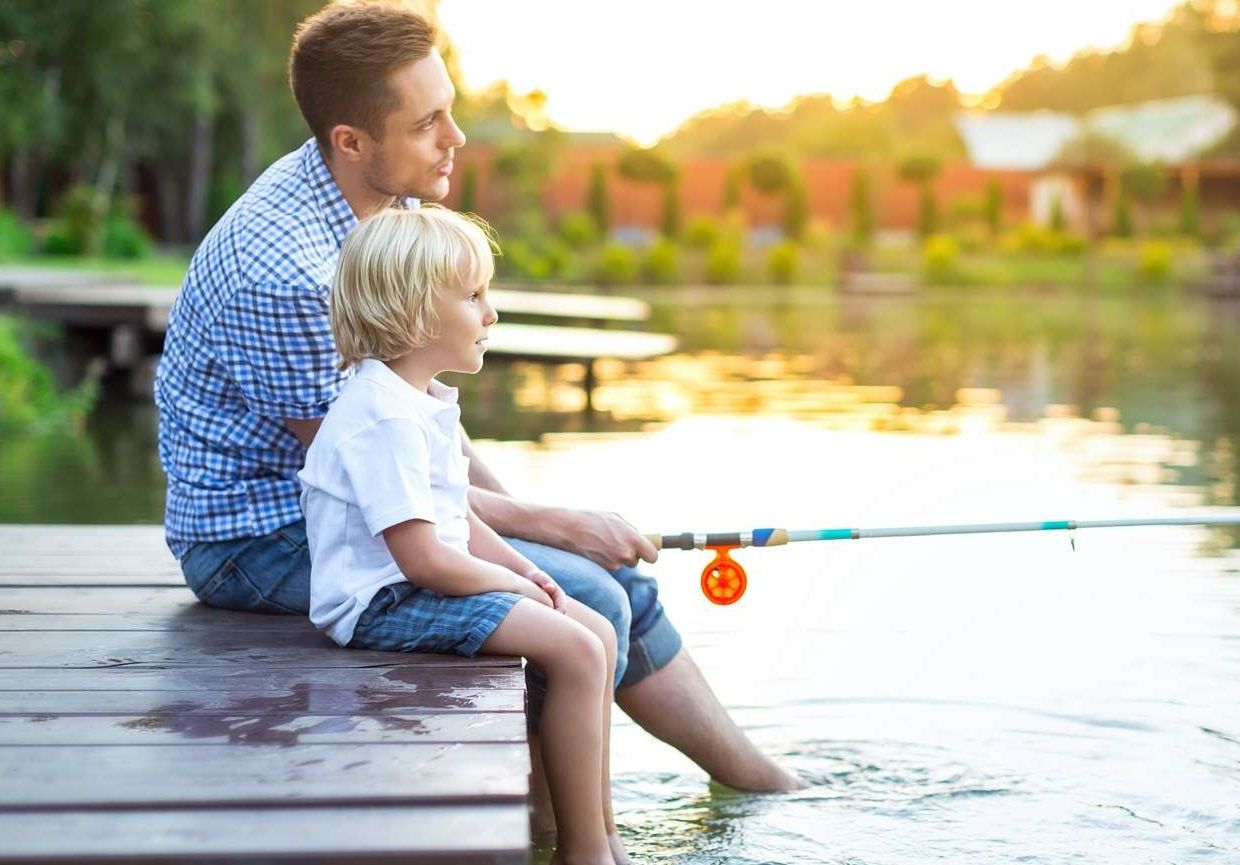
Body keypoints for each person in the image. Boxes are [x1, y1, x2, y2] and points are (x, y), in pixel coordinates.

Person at [152, 0, 798, 814]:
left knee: (606, 577)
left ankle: (745, 777)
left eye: (448, 110)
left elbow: (425, 432)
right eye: (429, 123)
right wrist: (552, 525)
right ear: (352, 141)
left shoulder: (387, 196)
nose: (455, 138)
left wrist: (547, 520)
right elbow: (372, 473)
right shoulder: (288, 275)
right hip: (260, 533)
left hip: (367, 498)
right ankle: (551, 837)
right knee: (584, 594)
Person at [302, 206, 623, 865]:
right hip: (380, 601)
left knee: (595, 629)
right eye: (474, 296)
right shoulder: (382, 415)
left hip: (419, 580)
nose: (492, 313)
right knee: (575, 648)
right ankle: (583, 860)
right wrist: (507, 585)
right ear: (415, 314)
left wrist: (528, 570)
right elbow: (421, 557)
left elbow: (457, 519)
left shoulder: (421, 399)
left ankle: (595, 832)